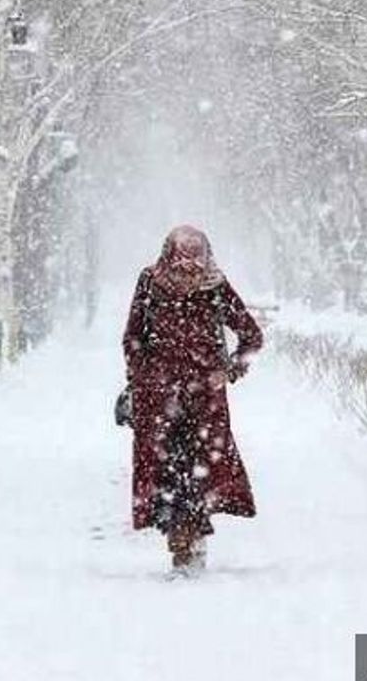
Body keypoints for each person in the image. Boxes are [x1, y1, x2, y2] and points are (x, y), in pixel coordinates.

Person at [122, 225, 264, 576]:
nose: (189, 267)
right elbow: (133, 337)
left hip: (195, 402)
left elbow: (251, 336)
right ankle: (183, 543)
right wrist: (142, 377)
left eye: (194, 258)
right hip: (166, 400)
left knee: (191, 472)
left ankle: (189, 542)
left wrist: (230, 371)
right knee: (173, 472)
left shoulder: (212, 286)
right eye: (183, 258)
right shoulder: (153, 282)